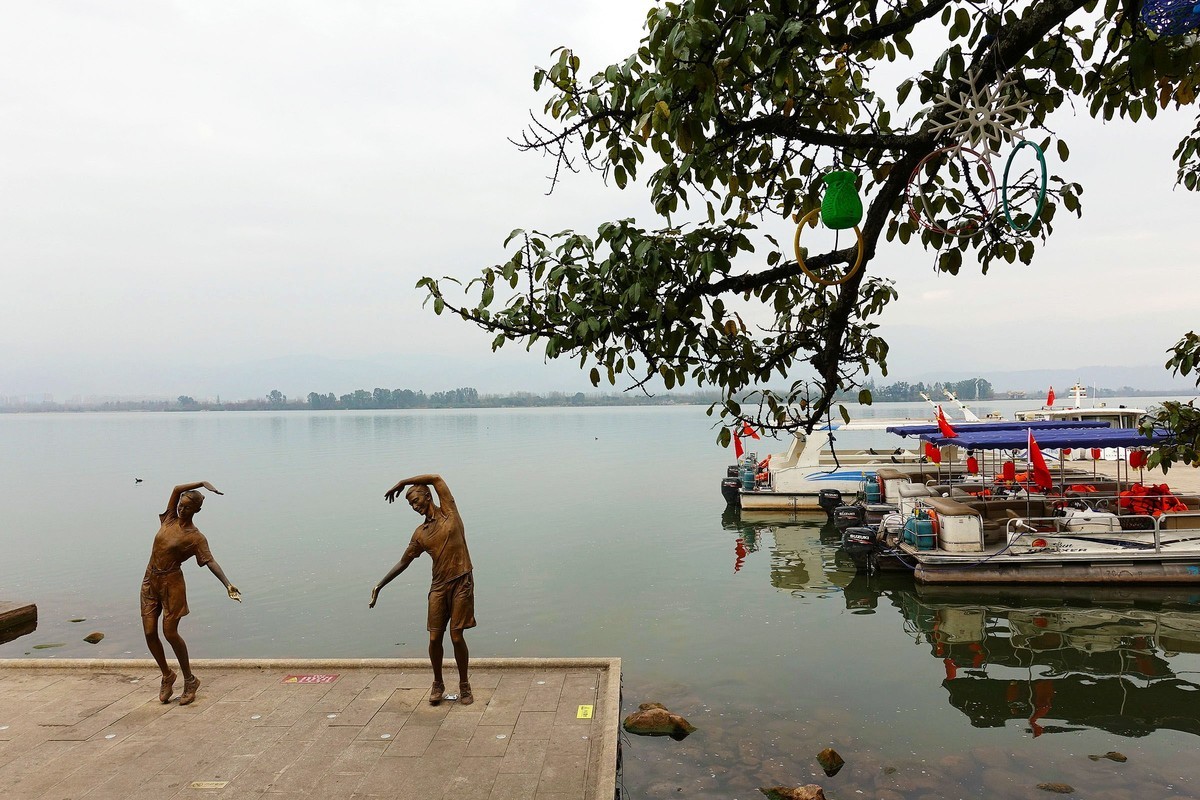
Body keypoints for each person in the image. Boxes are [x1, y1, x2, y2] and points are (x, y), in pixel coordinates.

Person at [370, 473, 475, 706]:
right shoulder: (421, 533)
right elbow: (404, 562)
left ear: (428, 496)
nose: (414, 506)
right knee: (435, 637)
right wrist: (380, 585)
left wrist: (403, 482)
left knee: (456, 636)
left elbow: (436, 478)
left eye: (416, 501)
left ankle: (464, 684)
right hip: (438, 587)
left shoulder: (449, 512)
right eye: (410, 504)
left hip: (461, 581)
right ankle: (438, 683)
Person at [141, 481, 240, 706]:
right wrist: (203, 483)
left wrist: (227, 584)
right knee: (149, 632)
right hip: (150, 580)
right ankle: (167, 675)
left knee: (170, 633)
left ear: (196, 510)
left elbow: (210, 561)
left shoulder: (196, 537)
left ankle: (190, 680)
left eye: (186, 507)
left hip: (172, 584)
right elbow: (176, 489)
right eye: (180, 505)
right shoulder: (169, 519)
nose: (181, 509)